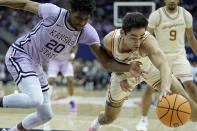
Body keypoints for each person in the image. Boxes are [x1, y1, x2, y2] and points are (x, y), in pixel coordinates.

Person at [0, 0, 147, 131]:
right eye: (79, 17)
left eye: (86, 19)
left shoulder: (88, 32)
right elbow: (25, 4)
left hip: (36, 64)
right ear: (70, 12)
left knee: (45, 115)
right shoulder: (53, 12)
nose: (82, 22)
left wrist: (128, 68)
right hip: (20, 54)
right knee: (35, 99)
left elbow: (105, 61)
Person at [89, 12, 197, 131]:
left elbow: (163, 64)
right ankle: (96, 124)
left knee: (188, 105)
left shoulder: (148, 42)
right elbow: (110, 61)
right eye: (133, 37)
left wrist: (165, 87)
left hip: (149, 70)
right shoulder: (110, 41)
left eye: (141, 36)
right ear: (122, 33)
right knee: (109, 118)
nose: (138, 42)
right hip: (124, 73)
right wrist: (121, 78)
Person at [136, 0, 197, 130]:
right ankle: (143, 119)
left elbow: (191, 38)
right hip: (160, 56)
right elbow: (146, 37)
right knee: (149, 88)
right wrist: (141, 58)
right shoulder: (156, 15)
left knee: (191, 86)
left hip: (179, 55)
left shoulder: (186, 15)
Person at [48, 45, 78, 112]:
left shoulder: (69, 37)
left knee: (70, 80)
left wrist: (72, 55)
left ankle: (71, 101)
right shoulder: (51, 35)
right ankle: (47, 102)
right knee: (51, 80)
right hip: (54, 60)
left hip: (66, 60)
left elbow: (75, 47)